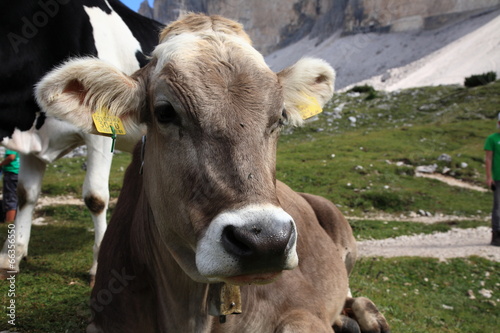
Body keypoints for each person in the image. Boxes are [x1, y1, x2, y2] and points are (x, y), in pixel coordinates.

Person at [484, 113, 500, 246]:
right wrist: (489, 177)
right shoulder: (492, 139)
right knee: (498, 206)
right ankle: (496, 235)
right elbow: (488, 158)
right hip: (498, 178)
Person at [0, 149, 20, 223]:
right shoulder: (22, 142)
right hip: (20, 172)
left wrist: (1, 164)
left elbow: (11, 157)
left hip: (11, 172)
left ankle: (9, 225)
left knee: (10, 199)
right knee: (17, 198)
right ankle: (16, 222)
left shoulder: (12, 144)